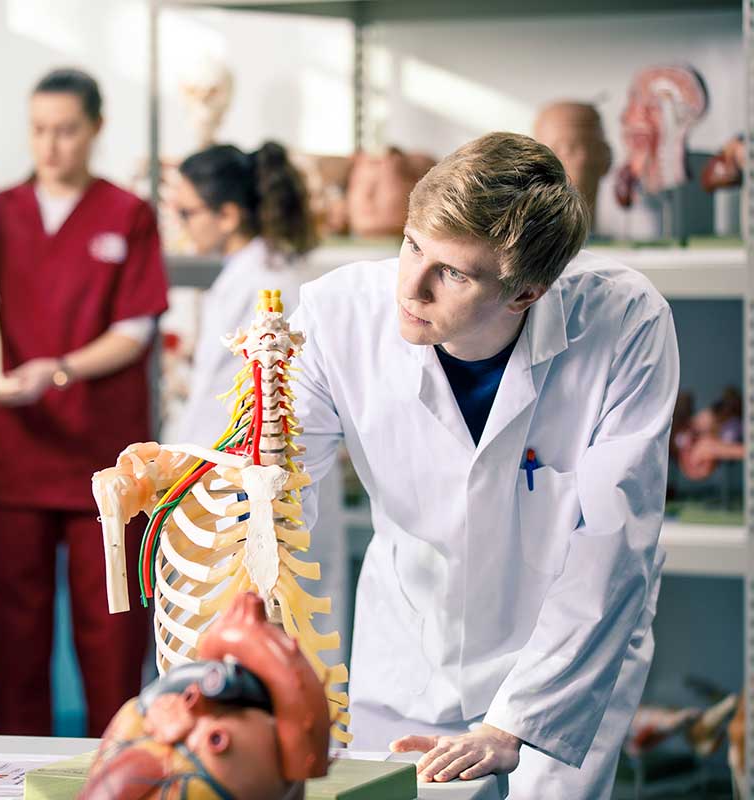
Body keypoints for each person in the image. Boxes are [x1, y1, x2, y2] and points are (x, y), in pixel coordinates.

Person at [290, 132, 679, 798]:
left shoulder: (625, 321)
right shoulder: (336, 315)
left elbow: (612, 547)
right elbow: (277, 486)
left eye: (454, 273)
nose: (411, 288)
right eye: (412, 244)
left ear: (526, 293)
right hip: (409, 650)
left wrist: (515, 721)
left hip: (563, 665)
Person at [0, 68, 168, 736]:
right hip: (9, 462)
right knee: (13, 641)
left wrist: (56, 370)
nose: (50, 146)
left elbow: (134, 332)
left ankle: (119, 766)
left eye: (67, 130)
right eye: (39, 130)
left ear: (96, 130)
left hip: (102, 466)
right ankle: (19, 779)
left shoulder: (126, 215)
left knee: (111, 636)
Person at [170, 142, 349, 653]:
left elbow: (219, 400)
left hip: (261, 479)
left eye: (188, 212)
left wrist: (176, 468)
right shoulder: (258, 270)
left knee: (273, 633)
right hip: (258, 475)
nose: (183, 226)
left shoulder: (262, 279)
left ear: (228, 215)